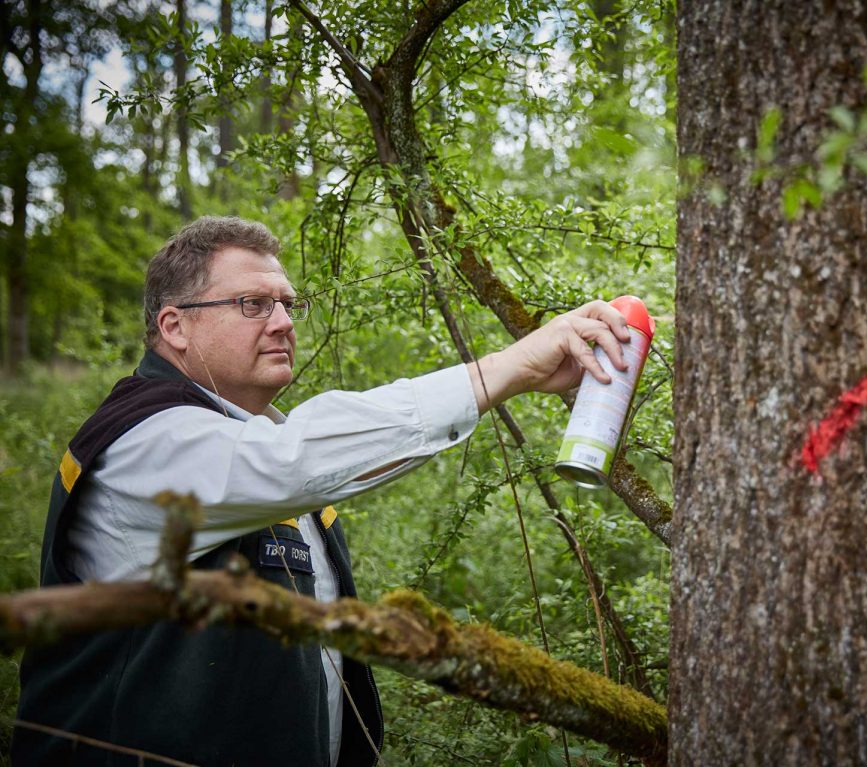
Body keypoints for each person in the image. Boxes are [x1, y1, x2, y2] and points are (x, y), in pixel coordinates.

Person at [12, 216, 631, 767]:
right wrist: (509, 366)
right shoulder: (145, 439)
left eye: (287, 304)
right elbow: (295, 462)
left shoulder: (257, 442)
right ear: (175, 326)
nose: (283, 323)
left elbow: (329, 468)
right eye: (253, 304)